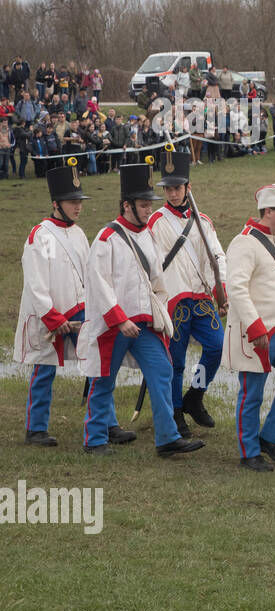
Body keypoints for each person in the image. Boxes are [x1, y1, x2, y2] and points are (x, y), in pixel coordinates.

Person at [78, 163, 203, 458]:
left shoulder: (148, 236)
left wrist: (159, 313)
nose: (149, 210)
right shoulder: (106, 238)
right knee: (104, 380)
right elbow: (99, 284)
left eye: (149, 204)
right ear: (127, 205)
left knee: (162, 371)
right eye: (144, 205)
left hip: (145, 324)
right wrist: (119, 319)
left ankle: (167, 438)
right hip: (114, 325)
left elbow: (157, 281)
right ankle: (95, 439)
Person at [15, 161, 111, 446]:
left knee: (98, 363)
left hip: (80, 310)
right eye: (72, 202)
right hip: (51, 314)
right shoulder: (40, 236)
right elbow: (36, 284)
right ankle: (35, 428)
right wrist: (53, 317)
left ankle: (107, 422)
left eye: (79, 201)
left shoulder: (79, 233)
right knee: (44, 369)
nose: (78, 207)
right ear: (56, 203)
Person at [222, 184, 275, 471]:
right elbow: (236, 289)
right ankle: (249, 452)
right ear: (268, 211)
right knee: (252, 394)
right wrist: (255, 326)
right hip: (256, 332)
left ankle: (270, 436)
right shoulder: (243, 242)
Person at [147, 147, 227, 440]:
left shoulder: (203, 221)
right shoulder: (155, 222)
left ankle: (195, 395)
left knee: (217, 347)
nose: (172, 193)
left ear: (188, 187)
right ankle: (176, 411)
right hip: (174, 298)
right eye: (168, 188)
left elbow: (216, 256)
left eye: (177, 187)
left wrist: (221, 288)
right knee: (176, 361)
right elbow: (151, 262)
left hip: (201, 297)